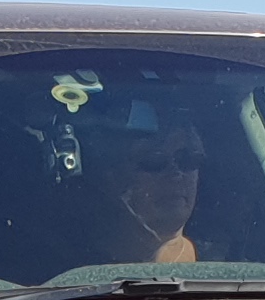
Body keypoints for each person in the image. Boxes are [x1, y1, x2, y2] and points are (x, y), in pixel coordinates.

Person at [83, 107, 210, 265]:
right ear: (113, 177)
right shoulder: (67, 273)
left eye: (188, 159)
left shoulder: (229, 268)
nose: (176, 173)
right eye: (154, 161)